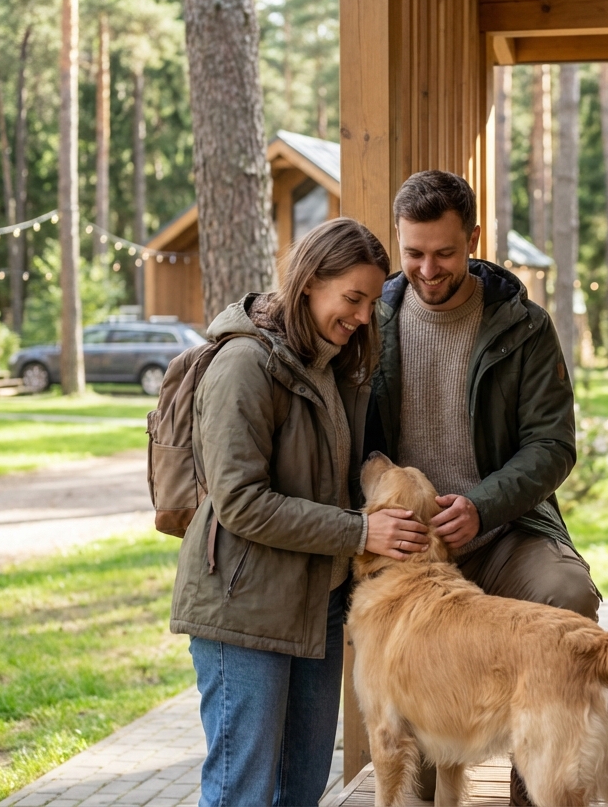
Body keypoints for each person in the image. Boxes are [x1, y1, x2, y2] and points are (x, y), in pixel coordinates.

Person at [170, 217, 431, 807]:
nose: (365, 315)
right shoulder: (243, 366)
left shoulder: (334, 364)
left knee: (301, 791)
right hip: (245, 610)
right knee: (244, 791)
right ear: (310, 282)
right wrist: (362, 529)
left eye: (371, 301)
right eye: (354, 298)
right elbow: (240, 501)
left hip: (316, 606)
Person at [365, 170, 600, 807]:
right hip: (408, 544)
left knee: (567, 594)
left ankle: (535, 794)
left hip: (503, 530)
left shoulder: (524, 326)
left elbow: (553, 445)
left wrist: (483, 505)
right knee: (397, 678)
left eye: (444, 253)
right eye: (413, 253)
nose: (427, 269)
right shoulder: (372, 324)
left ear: (473, 238)